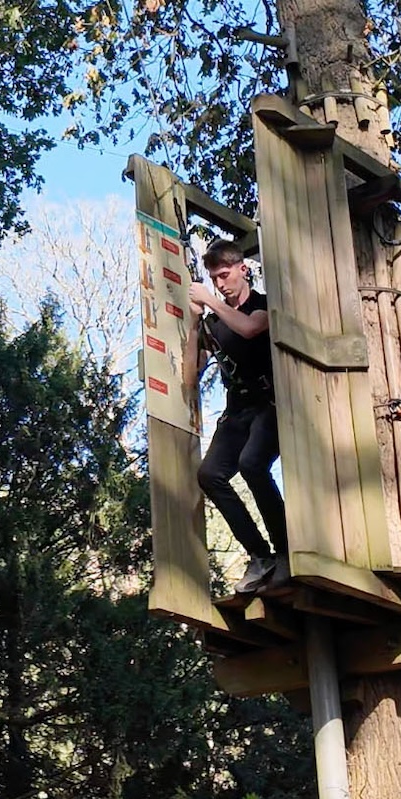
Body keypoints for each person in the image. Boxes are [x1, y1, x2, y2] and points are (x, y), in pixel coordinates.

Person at [183, 240, 288, 593]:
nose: (220, 284)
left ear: (243, 269)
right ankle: (260, 555)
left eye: (225, 275)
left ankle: (287, 551)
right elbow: (189, 376)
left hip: (270, 404)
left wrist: (209, 301)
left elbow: (250, 329)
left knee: (253, 464)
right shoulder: (215, 322)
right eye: (214, 279)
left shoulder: (263, 305)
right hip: (237, 409)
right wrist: (196, 325)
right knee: (210, 474)